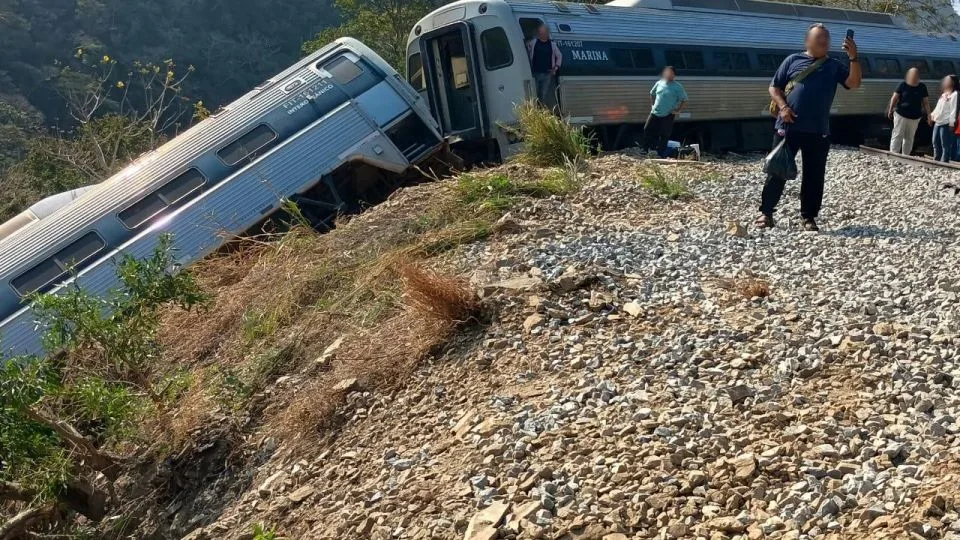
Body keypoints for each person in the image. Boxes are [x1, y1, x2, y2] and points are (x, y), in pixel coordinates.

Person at [756, 23, 861, 232]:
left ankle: (809, 217)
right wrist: (783, 107)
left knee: (814, 175)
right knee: (777, 170)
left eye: (826, 37)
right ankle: (766, 213)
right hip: (788, 126)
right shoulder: (792, 60)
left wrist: (853, 58)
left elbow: (854, 83)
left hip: (818, 130)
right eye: (819, 37)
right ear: (807, 41)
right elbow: (774, 87)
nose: (824, 40)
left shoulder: (834, 65)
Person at [644, 66, 688, 158]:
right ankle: (647, 149)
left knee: (664, 134)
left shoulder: (677, 87)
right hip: (655, 112)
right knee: (647, 129)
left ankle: (661, 153)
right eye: (666, 72)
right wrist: (652, 105)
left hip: (668, 114)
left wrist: (678, 110)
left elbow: (684, 99)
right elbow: (652, 93)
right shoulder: (659, 83)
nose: (668, 74)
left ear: (674, 75)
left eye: (670, 72)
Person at [887, 67, 929, 155]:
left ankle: (906, 155)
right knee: (897, 134)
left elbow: (926, 102)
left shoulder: (922, 87)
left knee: (909, 137)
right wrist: (890, 110)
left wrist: (929, 114)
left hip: (915, 116)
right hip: (901, 114)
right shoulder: (902, 85)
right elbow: (894, 98)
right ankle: (894, 154)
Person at [526, 24, 562, 111]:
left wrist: (555, 67)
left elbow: (559, 56)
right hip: (535, 73)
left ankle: (541, 112)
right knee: (534, 94)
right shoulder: (534, 42)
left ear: (547, 33)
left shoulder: (552, 45)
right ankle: (534, 111)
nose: (542, 34)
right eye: (541, 32)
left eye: (544, 32)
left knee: (542, 95)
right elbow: (527, 48)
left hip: (547, 74)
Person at [929, 74, 958, 162]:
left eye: (947, 80)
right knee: (935, 141)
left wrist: (951, 123)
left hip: (946, 122)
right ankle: (936, 159)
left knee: (945, 144)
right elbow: (938, 107)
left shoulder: (955, 94)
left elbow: (954, 109)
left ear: (952, 82)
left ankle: (944, 161)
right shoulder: (944, 94)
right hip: (938, 121)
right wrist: (932, 115)